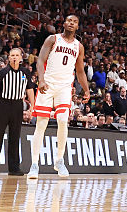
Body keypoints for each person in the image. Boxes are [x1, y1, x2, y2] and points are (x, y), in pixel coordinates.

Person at [27, 14, 89, 179]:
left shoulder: (78, 46)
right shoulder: (52, 39)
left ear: (77, 26)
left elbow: (80, 71)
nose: (71, 23)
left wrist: (87, 89)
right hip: (47, 83)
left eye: (75, 22)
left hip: (64, 87)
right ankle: (34, 165)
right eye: (69, 20)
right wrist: (40, 80)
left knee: (62, 120)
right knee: (41, 125)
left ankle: (59, 160)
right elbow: (40, 60)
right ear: (64, 23)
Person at [0, 47, 35, 176]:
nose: (14, 57)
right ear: (9, 58)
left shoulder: (25, 73)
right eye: (12, 55)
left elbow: (30, 90)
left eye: (16, 55)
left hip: (18, 106)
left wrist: (32, 107)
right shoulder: (2, 73)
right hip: (3, 104)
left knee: (15, 137)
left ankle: (14, 168)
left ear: (20, 58)